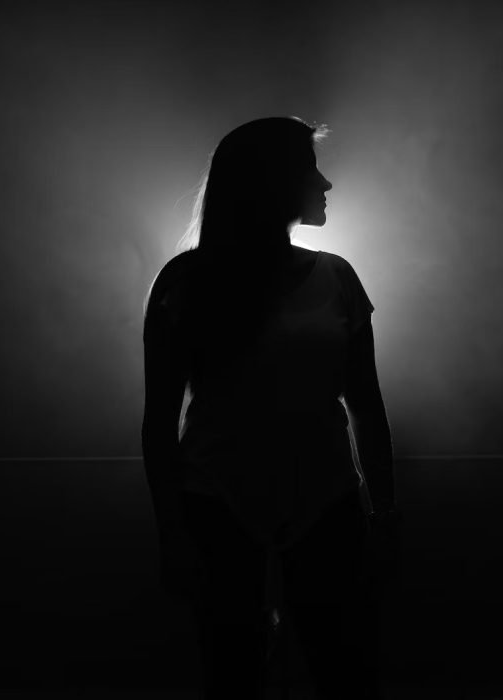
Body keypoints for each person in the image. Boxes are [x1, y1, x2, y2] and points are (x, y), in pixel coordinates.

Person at [142, 116, 400, 700]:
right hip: (219, 504)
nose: (325, 184)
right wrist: (172, 533)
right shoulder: (184, 284)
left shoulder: (336, 277)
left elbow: (368, 405)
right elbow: (158, 422)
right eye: (311, 168)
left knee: (344, 671)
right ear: (271, 181)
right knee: (236, 675)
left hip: (325, 500)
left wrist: (384, 513)